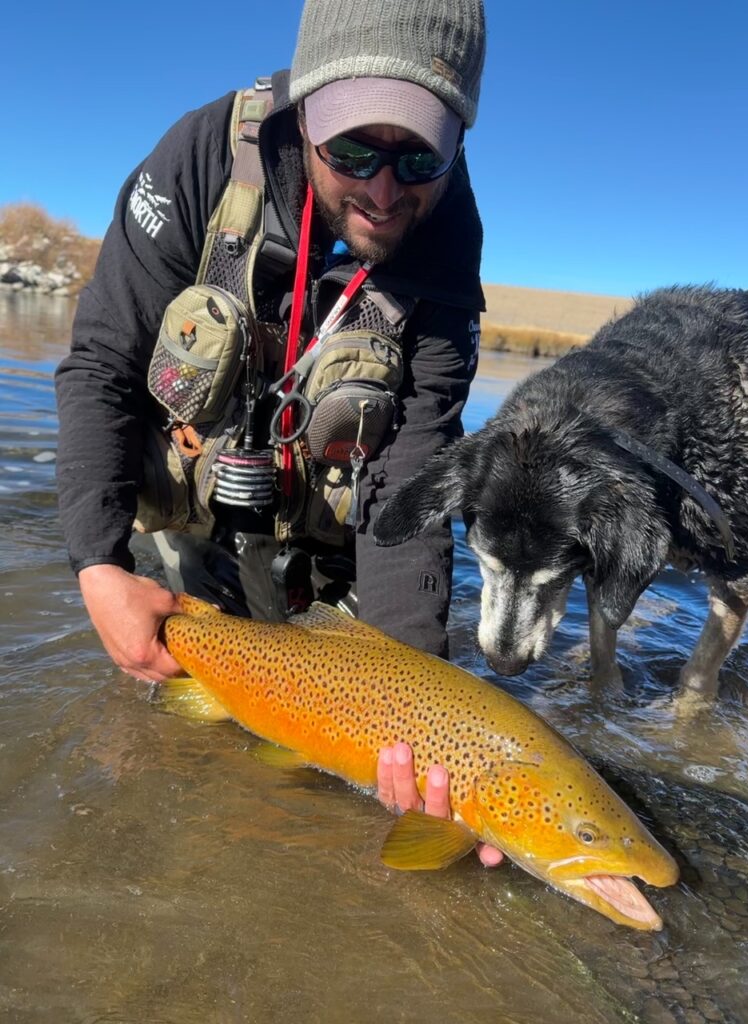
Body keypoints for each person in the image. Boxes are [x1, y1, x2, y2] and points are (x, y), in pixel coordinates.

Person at [55, 0, 499, 863]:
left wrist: (415, 713)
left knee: (338, 763)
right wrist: (98, 564)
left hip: (334, 512)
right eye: (353, 150)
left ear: (457, 139)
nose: (382, 188)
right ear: (306, 114)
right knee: (184, 736)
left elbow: (415, 466)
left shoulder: (448, 236)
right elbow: (102, 367)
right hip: (196, 486)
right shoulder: (199, 158)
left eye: (418, 155)